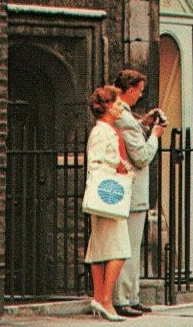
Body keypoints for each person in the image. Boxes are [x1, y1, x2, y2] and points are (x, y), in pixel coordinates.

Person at [111, 69, 165, 317]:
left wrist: (144, 123)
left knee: (132, 246)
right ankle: (122, 299)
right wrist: (154, 135)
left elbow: (132, 131)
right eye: (140, 91)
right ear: (130, 90)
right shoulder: (121, 115)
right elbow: (142, 156)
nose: (141, 96)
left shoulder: (122, 113)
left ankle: (131, 296)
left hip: (132, 192)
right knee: (128, 248)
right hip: (132, 192)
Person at [84, 86, 132, 322]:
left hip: (107, 196)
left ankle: (99, 298)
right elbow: (96, 163)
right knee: (119, 249)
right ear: (107, 107)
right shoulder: (101, 132)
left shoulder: (108, 130)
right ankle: (106, 301)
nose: (121, 106)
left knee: (100, 248)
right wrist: (118, 169)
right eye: (118, 103)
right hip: (109, 196)